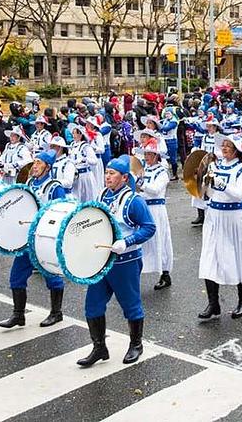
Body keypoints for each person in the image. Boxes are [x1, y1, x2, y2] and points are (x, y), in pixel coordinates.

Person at [77, 156, 156, 368]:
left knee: (131, 304)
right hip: (102, 261)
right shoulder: (102, 195)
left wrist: (127, 241)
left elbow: (149, 227)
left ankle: (136, 344)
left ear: (124, 177)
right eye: (107, 173)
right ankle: (99, 347)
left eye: (112, 174)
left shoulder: (134, 200)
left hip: (126, 261)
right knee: (92, 305)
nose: (107, 177)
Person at [0, 151, 67, 329]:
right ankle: (18, 315)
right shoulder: (29, 182)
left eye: (39, 163)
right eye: (34, 162)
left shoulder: (54, 187)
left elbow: (60, 213)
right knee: (16, 277)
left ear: (48, 166)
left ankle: (56, 313)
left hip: (44, 240)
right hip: (27, 239)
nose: (34, 166)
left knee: (51, 277)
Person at [198, 134, 242, 321]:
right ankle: (213, 304)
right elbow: (206, 194)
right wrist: (203, 184)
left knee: (239, 257)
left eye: (228, 145)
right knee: (209, 258)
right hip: (214, 217)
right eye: (223, 145)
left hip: (235, 218)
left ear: (237, 149)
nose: (224, 148)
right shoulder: (214, 166)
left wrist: (221, 184)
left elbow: (239, 194)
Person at [138, 137, 173, 290]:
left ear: (156, 156)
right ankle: (137, 270)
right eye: (145, 154)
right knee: (142, 241)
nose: (146, 157)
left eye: (150, 154)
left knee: (160, 239)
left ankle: (165, 273)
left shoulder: (162, 172)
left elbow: (155, 190)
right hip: (144, 207)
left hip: (157, 209)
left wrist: (140, 184)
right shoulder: (142, 170)